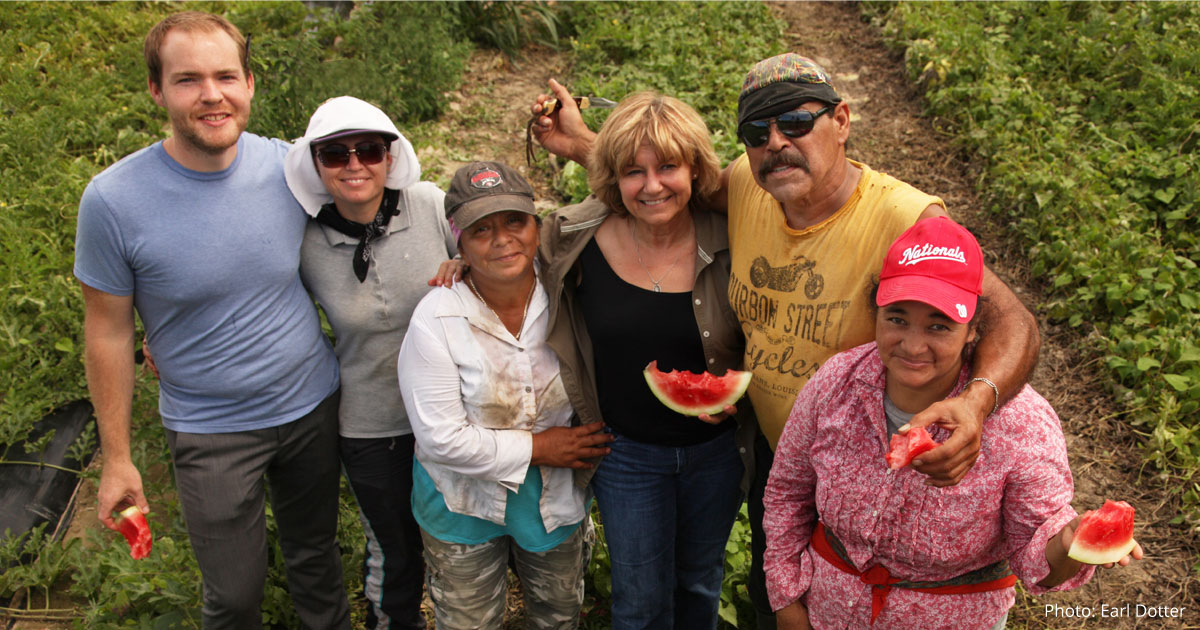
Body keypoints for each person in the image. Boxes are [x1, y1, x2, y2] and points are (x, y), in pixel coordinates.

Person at [530, 52, 1041, 628]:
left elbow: (1013, 319)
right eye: (757, 132)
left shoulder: (904, 216)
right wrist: (585, 144)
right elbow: (660, 179)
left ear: (842, 120)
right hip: (775, 457)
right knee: (771, 596)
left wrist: (976, 404)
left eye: (796, 123)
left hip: (866, 460)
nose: (776, 143)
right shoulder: (751, 185)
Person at [74, 11, 349, 629]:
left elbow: (383, 197)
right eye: (187, 79)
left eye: (226, 75)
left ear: (250, 82)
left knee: (317, 563)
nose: (212, 95)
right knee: (233, 596)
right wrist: (116, 458)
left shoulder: (291, 169)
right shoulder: (113, 201)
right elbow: (107, 331)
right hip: (210, 431)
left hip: (312, 408)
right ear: (157, 90)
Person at [762, 216, 1142, 629]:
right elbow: (787, 491)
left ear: (973, 330)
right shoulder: (836, 381)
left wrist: (1068, 544)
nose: (911, 344)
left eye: (939, 326)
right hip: (826, 614)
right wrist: (786, 600)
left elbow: (1039, 565)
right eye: (897, 318)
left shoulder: (1023, 424)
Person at [539, 92, 755, 630]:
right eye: (633, 171)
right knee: (638, 602)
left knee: (699, 583)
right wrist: (459, 264)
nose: (652, 185)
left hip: (717, 455)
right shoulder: (573, 238)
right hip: (625, 454)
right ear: (614, 178)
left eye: (668, 167)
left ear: (696, 169)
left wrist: (742, 394)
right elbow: (503, 252)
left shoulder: (737, 238)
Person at [397, 161, 613, 630]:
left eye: (515, 221)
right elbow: (440, 439)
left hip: (553, 497)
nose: (502, 239)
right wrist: (541, 447)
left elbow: (626, 196)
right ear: (460, 243)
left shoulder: (569, 286)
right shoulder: (437, 318)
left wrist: (577, 143)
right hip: (459, 500)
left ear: (538, 226)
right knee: (468, 620)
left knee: (557, 615)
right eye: (481, 230)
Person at [283, 95, 458, 630]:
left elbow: (497, 252)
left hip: (454, 414)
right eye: (335, 154)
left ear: (390, 155)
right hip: (369, 424)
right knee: (394, 551)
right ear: (316, 165)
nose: (354, 164)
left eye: (369, 150)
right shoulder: (305, 239)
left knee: (461, 543)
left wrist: (465, 264)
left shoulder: (429, 205)